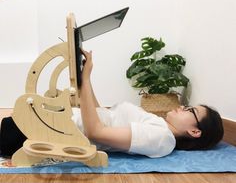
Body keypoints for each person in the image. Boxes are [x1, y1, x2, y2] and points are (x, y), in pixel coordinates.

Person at [0, 49, 224, 158]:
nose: (183, 106)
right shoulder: (159, 125)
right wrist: (84, 84)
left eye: (190, 110)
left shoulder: (161, 139)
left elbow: (96, 132)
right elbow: (101, 115)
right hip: (53, 123)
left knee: (9, 127)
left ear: (195, 131)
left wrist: (86, 80)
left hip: (49, 131)